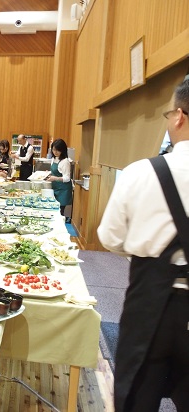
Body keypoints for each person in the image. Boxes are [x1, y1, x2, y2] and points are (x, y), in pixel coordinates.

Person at [97, 77, 189, 412]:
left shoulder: (142, 172)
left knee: (138, 393)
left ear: (178, 115)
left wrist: (146, 249)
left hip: (152, 301)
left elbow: (110, 237)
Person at [45, 139, 72, 216]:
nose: (55, 152)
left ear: (62, 150)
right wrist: (48, 173)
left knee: (60, 211)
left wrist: (55, 178)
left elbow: (67, 178)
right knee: (54, 208)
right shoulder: (53, 159)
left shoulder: (65, 161)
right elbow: (55, 171)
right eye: (53, 150)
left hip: (63, 190)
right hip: (55, 187)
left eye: (58, 150)